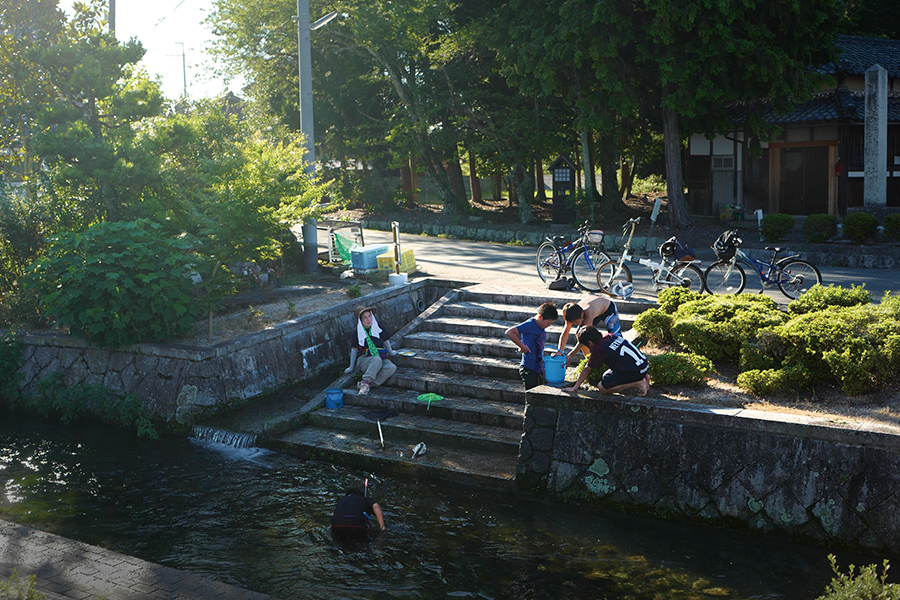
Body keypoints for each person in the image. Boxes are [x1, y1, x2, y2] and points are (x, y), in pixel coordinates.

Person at [561, 326, 650, 396]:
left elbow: (587, 369)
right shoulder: (610, 336)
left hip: (634, 370)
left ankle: (637, 383)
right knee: (606, 376)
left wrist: (575, 388)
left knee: (602, 388)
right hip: (643, 365)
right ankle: (644, 376)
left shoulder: (599, 348)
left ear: (590, 343)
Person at [505, 302, 559, 390]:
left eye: (551, 323)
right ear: (540, 317)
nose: (549, 325)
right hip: (529, 368)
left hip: (539, 368)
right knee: (532, 396)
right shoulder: (530, 324)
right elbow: (509, 332)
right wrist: (522, 346)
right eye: (548, 322)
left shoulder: (541, 326)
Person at [345, 305, 397, 395]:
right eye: (365, 318)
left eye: (369, 316)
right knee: (376, 359)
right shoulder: (357, 332)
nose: (368, 319)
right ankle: (366, 381)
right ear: (360, 321)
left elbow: (385, 340)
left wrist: (391, 351)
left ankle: (366, 385)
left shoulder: (377, 327)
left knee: (391, 367)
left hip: (380, 357)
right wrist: (351, 367)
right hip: (365, 359)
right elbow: (354, 350)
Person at [558, 296, 621, 366]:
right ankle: (589, 360)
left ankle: (619, 360)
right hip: (596, 309)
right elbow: (565, 333)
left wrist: (571, 355)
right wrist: (559, 351)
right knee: (579, 334)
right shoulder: (570, 314)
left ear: (582, 314)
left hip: (608, 309)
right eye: (574, 323)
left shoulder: (588, 314)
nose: (577, 324)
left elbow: (585, 337)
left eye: (577, 321)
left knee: (616, 336)